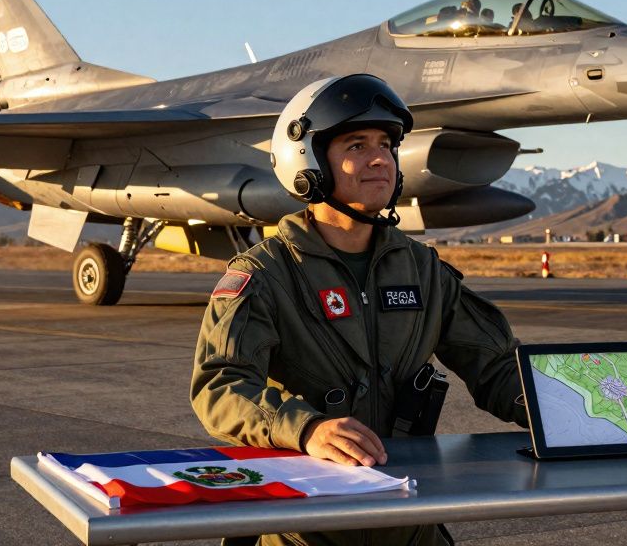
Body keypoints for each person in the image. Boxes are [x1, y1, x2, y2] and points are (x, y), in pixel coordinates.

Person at [191, 74, 526, 546]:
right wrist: (306, 429)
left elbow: (498, 368)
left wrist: (610, 415)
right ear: (308, 160)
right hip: (304, 526)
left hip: (409, 522)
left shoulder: (422, 269)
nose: (379, 159)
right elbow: (221, 385)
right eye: (356, 144)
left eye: (386, 145)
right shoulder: (266, 274)